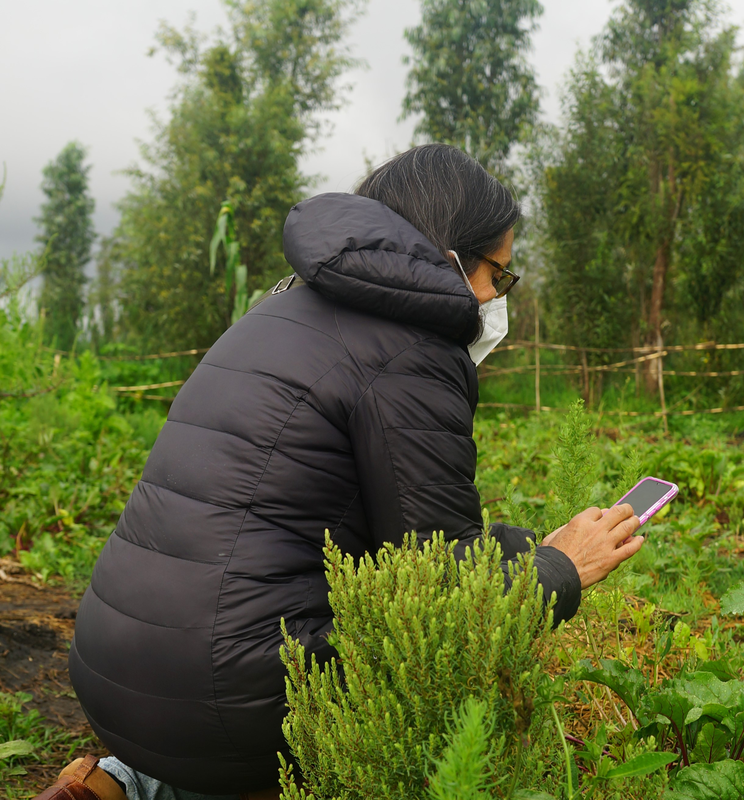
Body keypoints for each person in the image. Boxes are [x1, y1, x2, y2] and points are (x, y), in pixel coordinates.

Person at [38, 144, 643, 800]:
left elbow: (367, 533)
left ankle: (119, 785)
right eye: (500, 274)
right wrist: (560, 569)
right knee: (435, 668)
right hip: (226, 705)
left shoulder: (279, 309)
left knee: (269, 665)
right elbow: (442, 591)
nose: (497, 297)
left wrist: (523, 549)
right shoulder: (414, 350)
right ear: (450, 258)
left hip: (111, 670)